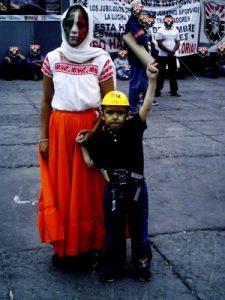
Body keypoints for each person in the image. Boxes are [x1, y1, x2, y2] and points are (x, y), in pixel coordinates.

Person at [38, 3, 115, 265]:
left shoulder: (102, 59)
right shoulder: (52, 58)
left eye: (80, 24)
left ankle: (91, 244)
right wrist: (44, 137)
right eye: (69, 24)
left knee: (89, 192)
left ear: (89, 27)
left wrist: (94, 133)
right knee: (63, 190)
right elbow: (47, 101)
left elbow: (110, 104)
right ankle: (65, 245)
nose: (74, 30)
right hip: (59, 131)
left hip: (89, 131)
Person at [76, 64, 158, 282]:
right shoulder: (99, 139)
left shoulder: (133, 128)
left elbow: (147, 107)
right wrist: (84, 145)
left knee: (139, 229)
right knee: (113, 231)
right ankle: (113, 266)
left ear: (127, 114)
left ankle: (141, 264)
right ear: (102, 115)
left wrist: (151, 82)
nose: (114, 117)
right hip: (112, 191)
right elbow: (91, 163)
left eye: (119, 113)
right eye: (109, 112)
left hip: (137, 189)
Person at [125, 0, 157, 112]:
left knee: (143, 80)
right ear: (134, 8)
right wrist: (145, 38)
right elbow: (141, 37)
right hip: (137, 57)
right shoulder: (133, 22)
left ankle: (146, 99)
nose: (141, 9)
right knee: (136, 82)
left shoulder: (136, 21)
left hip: (139, 56)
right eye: (139, 7)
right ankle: (132, 106)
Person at [155, 14, 181, 97]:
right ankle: (157, 91)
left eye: (170, 19)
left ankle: (174, 91)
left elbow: (177, 42)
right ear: (164, 21)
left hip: (172, 55)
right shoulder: (160, 30)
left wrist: (173, 51)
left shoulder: (176, 30)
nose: (168, 21)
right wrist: (168, 51)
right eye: (167, 19)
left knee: (173, 73)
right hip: (162, 56)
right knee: (160, 74)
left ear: (173, 21)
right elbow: (159, 43)